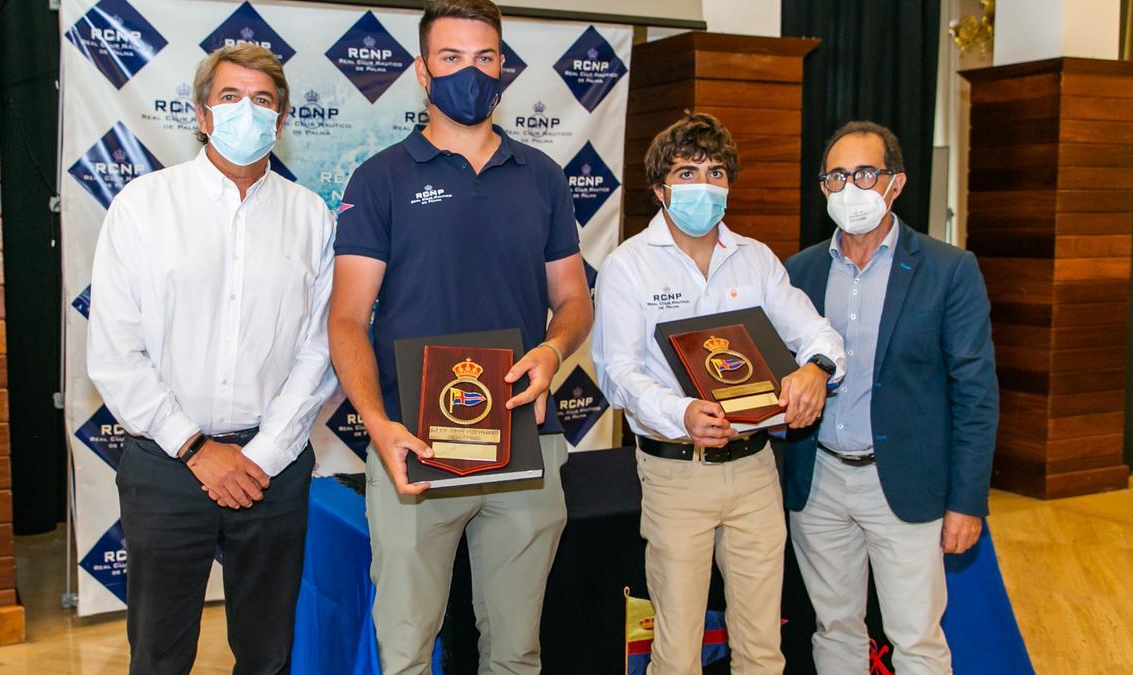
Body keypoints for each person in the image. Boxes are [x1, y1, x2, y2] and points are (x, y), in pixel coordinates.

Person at [326, 0, 593, 672]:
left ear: (503, 67)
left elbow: (573, 300)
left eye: (484, 58)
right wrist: (375, 422)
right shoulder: (380, 178)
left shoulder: (543, 177)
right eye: (450, 58)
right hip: (413, 445)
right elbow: (347, 318)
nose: (468, 73)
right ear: (422, 70)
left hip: (526, 442)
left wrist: (554, 350)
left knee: (516, 650)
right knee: (407, 648)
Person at [87, 44, 337, 674]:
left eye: (262, 100)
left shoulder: (311, 217)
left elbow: (319, 349)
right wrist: (197, 449)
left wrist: (261, 453)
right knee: (160, 653)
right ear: (201, 115)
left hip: (271, 468)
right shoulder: (143, 207)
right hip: (168, 467)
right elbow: (116, 353)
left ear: (280, 122)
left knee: (267, 652)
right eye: (229, 98)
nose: (245, 112)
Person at [591, 112, 845, 675]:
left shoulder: (755, 259)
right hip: (676, 474)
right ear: (660, 189)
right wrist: (681, 412)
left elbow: (818, 333)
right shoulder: (627, 266)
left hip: (756, 471)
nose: (703, 185)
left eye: (715, 172)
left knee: (761, 649)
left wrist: (817, 369)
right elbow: (617, 373)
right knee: (677, 652)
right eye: (687, 172)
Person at [784, 120, 998, 674]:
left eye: (865, 173)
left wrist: (967, 500)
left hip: (903, 483)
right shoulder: (798, 272)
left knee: (916, 641)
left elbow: (976, 395)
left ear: (895, 184)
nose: (850, 186)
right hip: (820, 481)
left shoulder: (949, 271)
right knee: (833, 631)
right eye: (836, 175)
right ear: (822, 187)